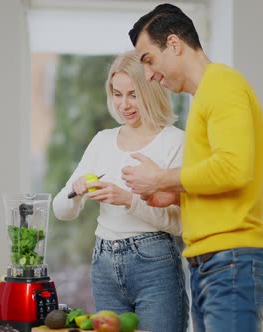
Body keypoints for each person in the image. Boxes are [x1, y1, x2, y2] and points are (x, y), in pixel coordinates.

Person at [122, 3, 263, 332]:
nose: (148, 75)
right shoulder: (206, 95)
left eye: (149, 60)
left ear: (174, 44)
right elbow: (221, 181)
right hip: (212, 264)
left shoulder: (222, 85)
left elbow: (234, 169)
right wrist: (175, 195)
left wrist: (159, 178)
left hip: (229, 261)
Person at [52, 50, 189, 332]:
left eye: (133, 94)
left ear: (151, 91)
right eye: (117, 94)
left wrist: (128, 200)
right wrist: (75, 192)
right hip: (103, 264)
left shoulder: (175, 142)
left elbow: (180, 222)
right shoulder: (103, 141)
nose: (124, 105)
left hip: (155, 263)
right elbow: (61, 211)